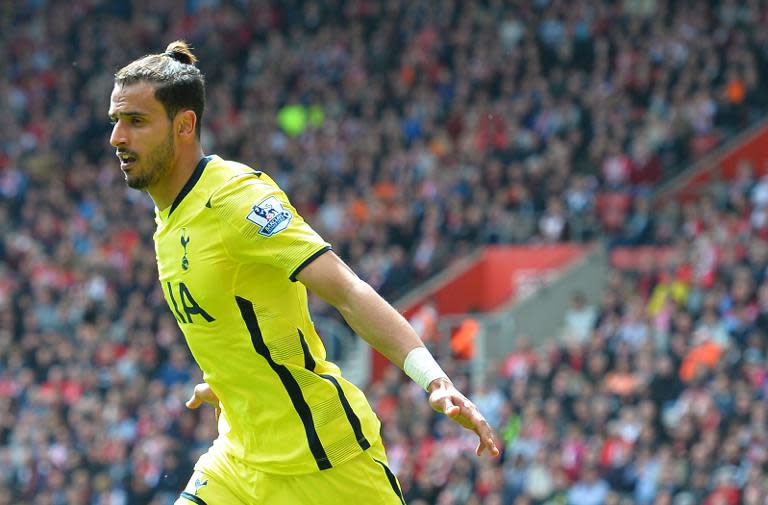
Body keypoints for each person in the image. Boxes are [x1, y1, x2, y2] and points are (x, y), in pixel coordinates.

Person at [108, 41, 499, 505]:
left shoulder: (237, 200)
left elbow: (347, 290)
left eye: (135, 121)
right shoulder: (168, 214)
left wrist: (435, 380)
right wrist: (235, 380)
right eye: (115, 121)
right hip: (238, 459)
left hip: (324, 461)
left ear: (185, 125)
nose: (117, 137)